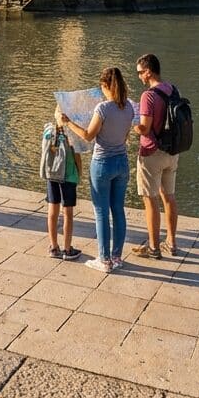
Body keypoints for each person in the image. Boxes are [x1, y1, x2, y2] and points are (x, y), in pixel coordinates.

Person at [61, 67, 134, 273]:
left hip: (102, 163)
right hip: (122, 162)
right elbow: (125, 137)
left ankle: (104, 259)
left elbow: (88, 135)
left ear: (105, 86)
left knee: (101, 211)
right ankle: (117, 257)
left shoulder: (102, 108)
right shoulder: (129, 107)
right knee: (118, 209)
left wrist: (68, 122)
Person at [132, 53, 180, 260]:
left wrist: (132, 124)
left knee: (150, 200)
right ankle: (172, 242)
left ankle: (153, 247)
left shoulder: (148, 96)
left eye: (140, 72)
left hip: (152, 153)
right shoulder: (173, 89)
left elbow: (145, 128)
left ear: (149, 71)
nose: (139, 76)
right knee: (169, 197)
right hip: (172, 152)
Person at [40, 117, 82, 261]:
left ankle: (53, 246)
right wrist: (80, 173)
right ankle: (68, 249)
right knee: (67, 213)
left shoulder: (48, 131)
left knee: (52, 210)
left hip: (52, 174)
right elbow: (77, 156)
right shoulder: (71, 133)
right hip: (68, 176)